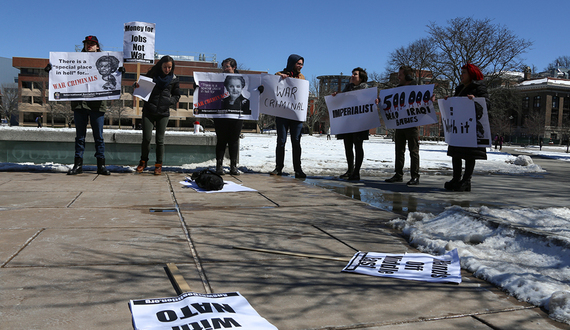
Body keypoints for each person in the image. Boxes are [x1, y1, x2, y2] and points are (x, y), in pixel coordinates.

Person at [65, 35, 110, 175]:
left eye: (92, 43)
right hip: (80, 104)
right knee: (80, 136)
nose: (89, 45)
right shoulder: (75, 61)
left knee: (99, 137)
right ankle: (78, 165)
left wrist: (120, 71)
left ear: (97, 46)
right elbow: (64, 72)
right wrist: (52, 69)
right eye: (87, 43)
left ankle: (101, 165)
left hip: (97, 104)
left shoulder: (106, 61)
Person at [444, 63, 490, 192]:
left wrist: (476, 100)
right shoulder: (459, 89)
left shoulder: (479, 87)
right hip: (459, 127)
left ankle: (466, 181)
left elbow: (487, 104)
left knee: (470, 155)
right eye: (461, 72)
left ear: (471, 74)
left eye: (464, 73)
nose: (461, 75)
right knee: (456, 153)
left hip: (471, 128)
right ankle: (456, 179)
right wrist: (449, 101)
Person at [134, 55, 180, 175]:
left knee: (160, 140)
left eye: (169, 67)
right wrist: (136, 86)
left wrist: (169, 102)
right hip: (149, 111)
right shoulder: (151, 76)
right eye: (165, 67)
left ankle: (158, 164)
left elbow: (177, 95)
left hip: (163, 113)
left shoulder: (174, 79)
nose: (167, 70)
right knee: (147, 138)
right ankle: (143, 161)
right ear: (160, 65)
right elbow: (141, 89)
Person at [270, 54, 306, 178]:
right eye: (298, 63)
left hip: (296, 116)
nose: (300, 66)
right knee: (281, 141)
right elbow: (272, 83)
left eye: (301, 64)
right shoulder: (279, 74)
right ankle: (278, 167)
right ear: (292, 63)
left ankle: (298, 169)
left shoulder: (302, 77)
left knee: (296, 141)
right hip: (282, 115)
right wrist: (280, 78)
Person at [384, 66, 421, 185]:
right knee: (399, 150)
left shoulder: (417, 89)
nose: (398, 77)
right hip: (400, 124)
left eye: (400, 75)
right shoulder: (397, 89)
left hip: (412, 124)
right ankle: (398, 174)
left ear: (408, 76)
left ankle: (415, 176)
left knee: (413, 151)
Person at [332, 67, 369, 181]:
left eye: (355, 74)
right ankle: (350, 170)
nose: (352, 76)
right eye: (352, 74)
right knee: (348, 146)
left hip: (360, 123)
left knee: (358, 146)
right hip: (347, 123)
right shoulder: (347, 89)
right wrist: (336, 96)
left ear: (361, 78)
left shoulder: (366, 90)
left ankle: (356, 172)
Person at [214, 58, 245, 175]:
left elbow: (254, 92)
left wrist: (259, 90)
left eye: (227, 66)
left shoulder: (243, 79)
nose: (225, 69)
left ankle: (233, 166)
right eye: (224, 67)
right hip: (221, 116)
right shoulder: (218, 79)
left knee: (233, 140)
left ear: (234, 67)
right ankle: (219, 165)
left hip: (237, 117)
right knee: (221, 140)